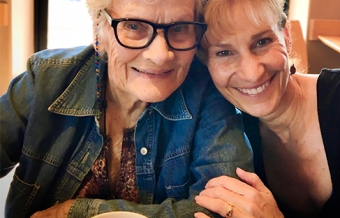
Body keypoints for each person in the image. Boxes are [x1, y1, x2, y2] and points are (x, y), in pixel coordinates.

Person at [0, 0, 254, 217]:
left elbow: (227, 209)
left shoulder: (208, 94)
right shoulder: (45, 79)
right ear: (100, 29)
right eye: (134, 26)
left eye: (179, 28)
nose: (160, 55)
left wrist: (80, 212)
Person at [193, 0, 340, 217]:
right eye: (224, 53)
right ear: (204, 62)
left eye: (262, 42)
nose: (252, 73)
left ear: (286, 36)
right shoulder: (224, 139)